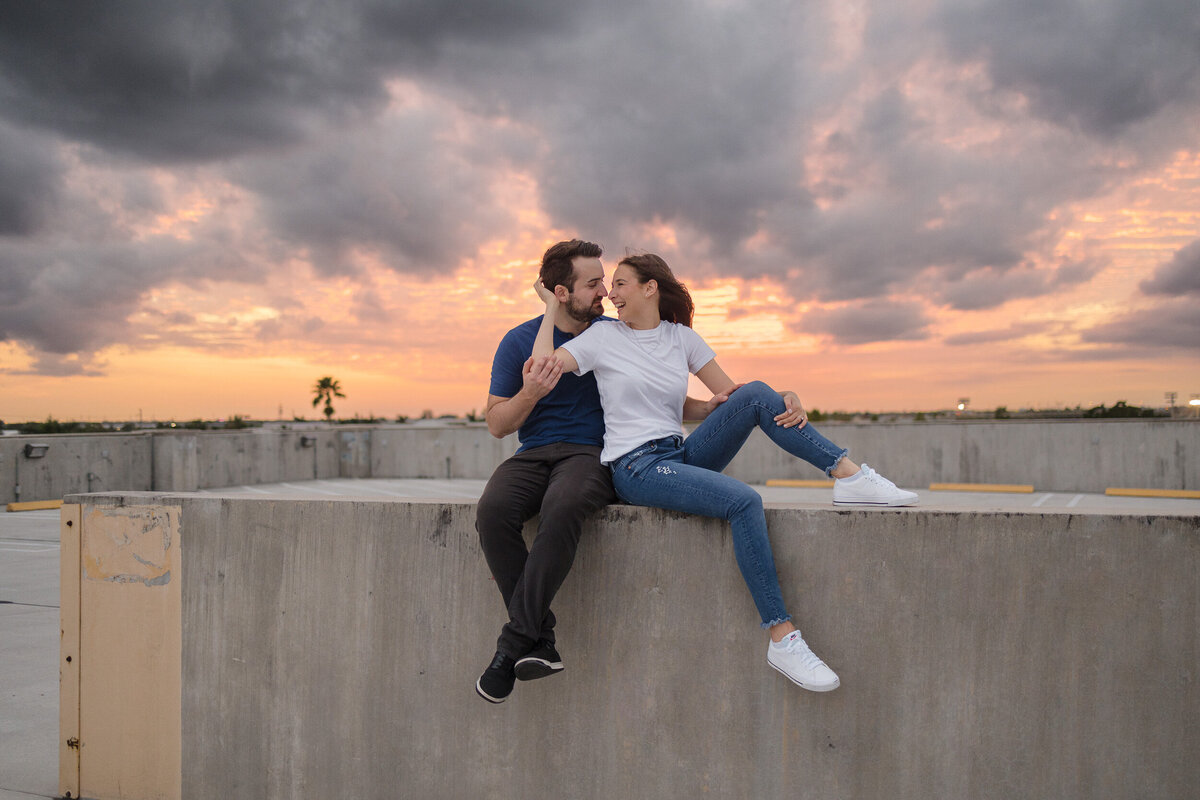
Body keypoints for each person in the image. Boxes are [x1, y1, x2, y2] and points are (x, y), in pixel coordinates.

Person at [533, 253, 918, 692]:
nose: (610, 294)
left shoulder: (682, 339)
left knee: (757, 393)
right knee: (744, 500)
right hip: (636, 467)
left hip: (679, 454)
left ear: (650, 288)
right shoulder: (602, 338)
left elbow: (735, 397)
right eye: (609, 285)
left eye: (620, 284)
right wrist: (549, 309)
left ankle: (847, 475)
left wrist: (785, 395)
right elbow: (541, 367)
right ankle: (782, 637)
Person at [474, 240, 730, 704]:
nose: (605, 293)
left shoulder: (619, 333)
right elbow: (496, 424)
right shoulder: (518, 341)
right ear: (560, 293)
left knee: (564, 504)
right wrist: (530, 394)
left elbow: (661, 396)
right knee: (492, 511)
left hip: (594, 454)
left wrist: (707, 407)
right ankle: (539, 640)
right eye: (593, 284)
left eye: (606, 282)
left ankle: (512, 644)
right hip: (533, 452)